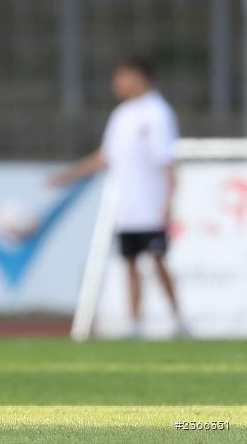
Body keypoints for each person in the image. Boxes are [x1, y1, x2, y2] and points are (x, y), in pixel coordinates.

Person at [51, 56, 186, 337]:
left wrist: (168, 203)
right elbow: (106, 156)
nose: (117, 84)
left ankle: (178, 319)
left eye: (121, 77)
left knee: (158, 260)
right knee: (130, 262)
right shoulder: (121, 115)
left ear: (138, 76)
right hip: (127, 207)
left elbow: (167, 162)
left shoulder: (158, 113)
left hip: (151, 205)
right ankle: (134, 322)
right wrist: (70, 175)